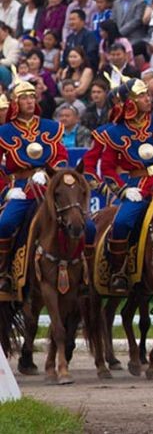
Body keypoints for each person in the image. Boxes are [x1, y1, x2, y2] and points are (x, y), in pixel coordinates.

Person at [95, 76, 153, 293]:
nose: (148, 99)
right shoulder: (116, 132)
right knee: (121, 223)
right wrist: (123, 190)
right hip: (137, 186)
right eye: (142, 96)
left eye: (148, 95)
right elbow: (107, 168)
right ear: (130, 102)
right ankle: (118, 272)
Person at [0, 72, 69, 292]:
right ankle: (3, 271)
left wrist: (49, 174)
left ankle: (82, 272)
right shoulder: (4, 132)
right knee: (5, 223)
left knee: (81, 223)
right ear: (15, 103)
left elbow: (61, 156)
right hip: (20, 188)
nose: (30, 101)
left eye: (32, 96)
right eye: (24, 97)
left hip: (49, 186)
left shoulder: (50, 126)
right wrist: (6, 192)